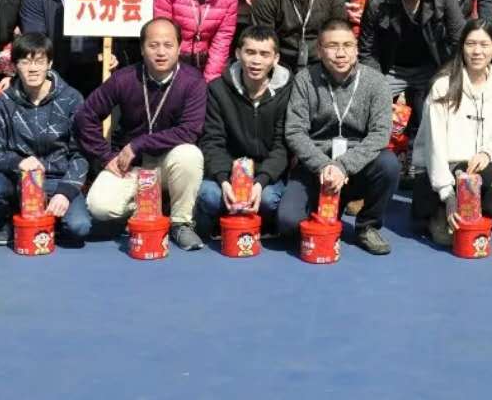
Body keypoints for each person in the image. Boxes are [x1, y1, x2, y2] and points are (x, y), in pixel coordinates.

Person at [75, 17, 208, 250]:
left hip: (168, 163)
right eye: (153, 45)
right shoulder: (124, 78)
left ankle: (181, 223)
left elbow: (189, 130)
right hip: (130, 166)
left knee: (190, 155)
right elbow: (85, 117)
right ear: (142, 49)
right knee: (99, 206)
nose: (161, 52)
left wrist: (139, 144)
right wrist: (105, 156)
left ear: (179, 48)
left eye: (168, 45)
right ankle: (147, 209)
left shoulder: (193, 81)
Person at [279, 18, 401, 254]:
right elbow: (294, 131)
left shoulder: (375, 81)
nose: (341, 53)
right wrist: (323, 165)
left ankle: (367, 225)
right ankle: (333, 206)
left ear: (356, 49)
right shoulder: (305, 79)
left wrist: (343, 166)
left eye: (347, 45)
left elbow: (380, 134)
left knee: (389, 164)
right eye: (332, 46)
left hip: (358, 165)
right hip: (316, 166)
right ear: (319, 50)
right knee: (289, 224)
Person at [0, 31, 91, 246]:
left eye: (39, 61)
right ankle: (10, 218)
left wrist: (66, 192)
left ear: (50, 63)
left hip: (57, 179)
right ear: (15, 66)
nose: (33, 68)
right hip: (16, 179)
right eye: (25, 62)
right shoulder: (3, 102)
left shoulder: (72, 99)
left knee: (79, 227)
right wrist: (17, 162)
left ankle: (51, 218)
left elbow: (81, 152)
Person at [412, 21, 492, 244]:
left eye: (484, 45)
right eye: (471, 44)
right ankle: (440, 210)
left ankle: (468, 210)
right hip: (440, 169)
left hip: (476, 169)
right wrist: (447, 194)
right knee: (443, 237)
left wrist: (488, 153)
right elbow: (435, 146)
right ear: (462, 47)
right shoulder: (443, 86)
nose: (477, 51)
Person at [358, 0, 465, 147]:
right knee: (373, 110)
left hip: (431, 67)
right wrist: (377, 85)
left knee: (433, 121)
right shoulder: (378, 0)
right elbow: (367, 51)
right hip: (390, 68)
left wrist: (446, 77)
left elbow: (458, 40)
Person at [195, 25, 293, 235]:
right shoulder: (217, 89)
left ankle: (260, 227)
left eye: (264, 54)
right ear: (238, 53)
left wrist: (260, 182)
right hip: (227, 172)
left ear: (276, 58)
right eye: (250, 52)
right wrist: (223, 180)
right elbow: (212, 141)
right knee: (209, 195)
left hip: (267, 175)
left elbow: (282, 147)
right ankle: (219, 226)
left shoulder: (288, 92)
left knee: (268, 200)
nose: (256, 60)